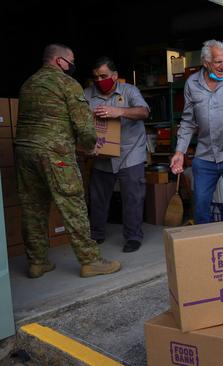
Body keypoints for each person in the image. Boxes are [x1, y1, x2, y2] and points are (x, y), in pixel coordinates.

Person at [14, 44, 121, 278]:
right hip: (55, 152)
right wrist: (91, 145)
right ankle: (90, 260)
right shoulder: (67, 83)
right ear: (60, 61)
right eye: (71, 61)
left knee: (33, 207)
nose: (72, 65)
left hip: (24, 152)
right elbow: (84, 125)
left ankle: (37, 262)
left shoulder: (28, 84)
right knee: (73, 204)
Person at [170, 40, 223, 224]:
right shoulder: (192, 83)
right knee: (200, 205)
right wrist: (179, 152)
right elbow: (188, 121)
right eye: (218, 62)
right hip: (205, 154)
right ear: (206, 63)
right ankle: (206, 248)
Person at [84, 56, 150, 253]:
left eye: (103, 76)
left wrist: (118, 111)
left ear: (114, 76)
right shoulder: (87, 94)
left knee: (133, 196)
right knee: (97, 197)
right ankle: (96, 234)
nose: (99, 80)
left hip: (131, 151)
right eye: (96, 77)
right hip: (102, 153)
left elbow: (144, 112)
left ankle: (133, 237)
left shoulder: (129, 91)